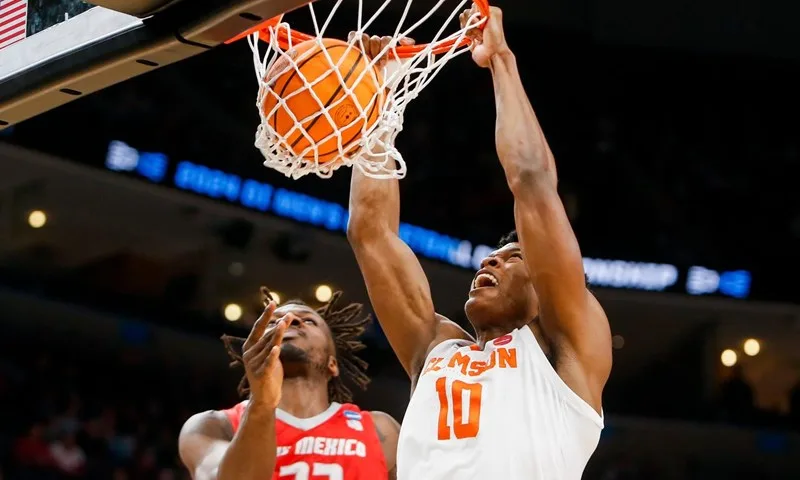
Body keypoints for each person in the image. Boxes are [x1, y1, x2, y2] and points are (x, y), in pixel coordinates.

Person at [346, 5, 612, 480]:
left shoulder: (566, 350)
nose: (491, 259)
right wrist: (379, 107)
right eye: (494, 254)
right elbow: (371, 233)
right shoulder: (436, 346)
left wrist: (501, 61)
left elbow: (531, 181)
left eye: (513, 258)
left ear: (546, 290)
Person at [178, 287, 400, 480]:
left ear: (333, 364)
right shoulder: (214, 426)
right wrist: (262, 403)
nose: (290, 321)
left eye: (309, 321)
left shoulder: (381, 429)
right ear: (255, 348)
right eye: (274, 322)